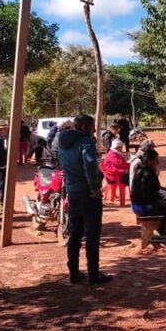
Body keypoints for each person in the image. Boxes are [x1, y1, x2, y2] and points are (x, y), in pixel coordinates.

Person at [57, 114, 112, 286]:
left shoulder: (61, 140)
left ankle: (73, 273)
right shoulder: (86, 142)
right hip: (88, 194)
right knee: (92, 235)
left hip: (72, 192)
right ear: (83, 126)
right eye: (92, 126)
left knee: (75, 234)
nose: (93, 130)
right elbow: (89, 164)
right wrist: (95, 187)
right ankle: (93, 274)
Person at [131, 148, 166, 239]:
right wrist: (161, 202)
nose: (158, 162)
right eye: (156, 160)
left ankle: (161, 231)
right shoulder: (149, 174)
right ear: (149, 161)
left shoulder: (139, 170)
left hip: (136, 205)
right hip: (144, 207)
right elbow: (151, 195)